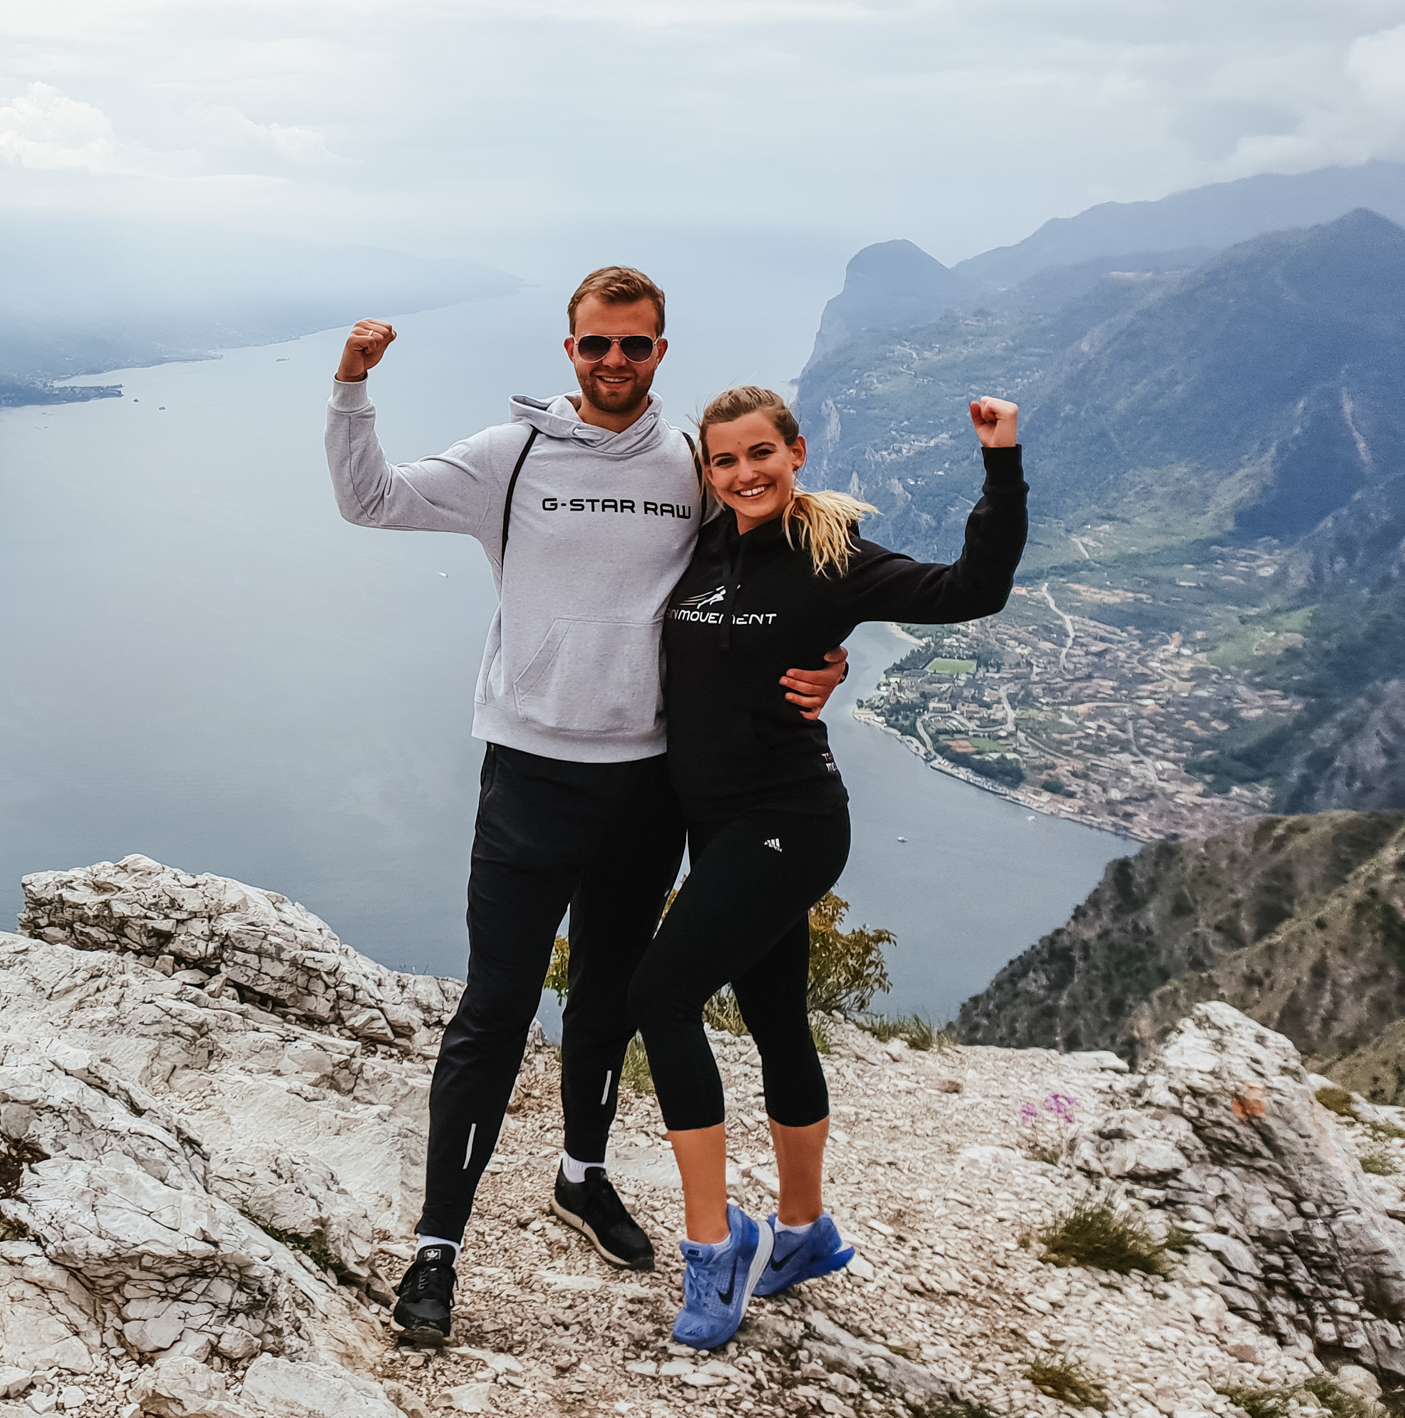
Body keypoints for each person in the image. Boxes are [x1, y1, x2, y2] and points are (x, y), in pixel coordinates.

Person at [326, 268, 846, 1346]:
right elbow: (367, 499)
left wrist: (824, 656)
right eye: (596, 344)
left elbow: (776, 563)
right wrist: (351, 388)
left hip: (648, 783)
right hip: (529, 774)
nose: (615, 361)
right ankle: (437, 1248)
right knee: (495, 1011)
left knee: (608, 995)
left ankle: (582, 1174)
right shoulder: (509, 456)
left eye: (635, 345)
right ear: (570, 349)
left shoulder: (690, 465)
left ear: (660, 352)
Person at [631, 383, 1026, 1351]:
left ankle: (714, 1248)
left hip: (790, 820)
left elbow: (971, 590)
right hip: (717, 826)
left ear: (796, 451)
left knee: (662, 995)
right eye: (725, 461)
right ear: (707, 472)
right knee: (774, 1020)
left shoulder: (831, 555)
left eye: (760, 453)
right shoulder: (700, 544)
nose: (743, 474)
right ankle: (804, 1230)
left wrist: (1001, 463)